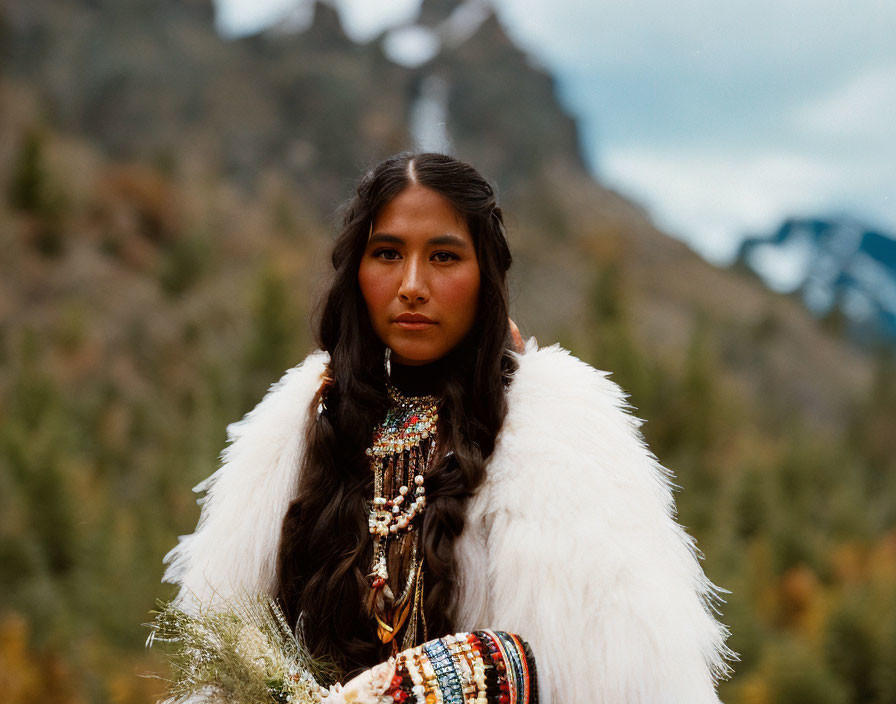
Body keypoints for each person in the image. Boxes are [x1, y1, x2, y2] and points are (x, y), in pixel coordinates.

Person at [162, 152, 734, 703]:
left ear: (485, 274)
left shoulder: (558, 435)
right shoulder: (303, 424)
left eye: (443, 257)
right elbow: (224, 646)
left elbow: (609, 675)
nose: (412, 284)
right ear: (356, 271)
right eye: (387, 254)